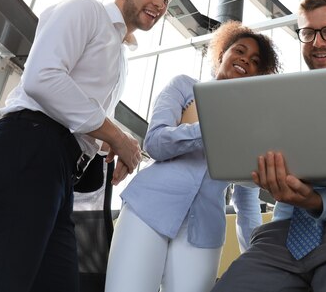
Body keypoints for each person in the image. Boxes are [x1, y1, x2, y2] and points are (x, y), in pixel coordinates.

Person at [0, 0, 174, 292]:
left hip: (56, 172)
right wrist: (118, 136)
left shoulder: (120, 56)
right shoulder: (88, 12)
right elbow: (41, 78)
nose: (159, 3)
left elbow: (75, 113)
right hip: (25, 151)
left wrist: (106, 143)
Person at [211, 0, 326, 292]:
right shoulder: (273, 98)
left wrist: (316, 201)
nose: (318, 42)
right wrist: (261, 174)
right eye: (308, 33)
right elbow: (246, 173)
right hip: (282, 234)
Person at [104, 21, 281, 292]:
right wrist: (210, 127)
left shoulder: (252, 124)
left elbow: (246, 199)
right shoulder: (185, 87)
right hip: (148, 209)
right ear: (222, 55)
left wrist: (254, 257)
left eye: (255, 61)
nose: (246, 60)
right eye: (240, 51)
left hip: (203, 233)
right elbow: (155, 142)